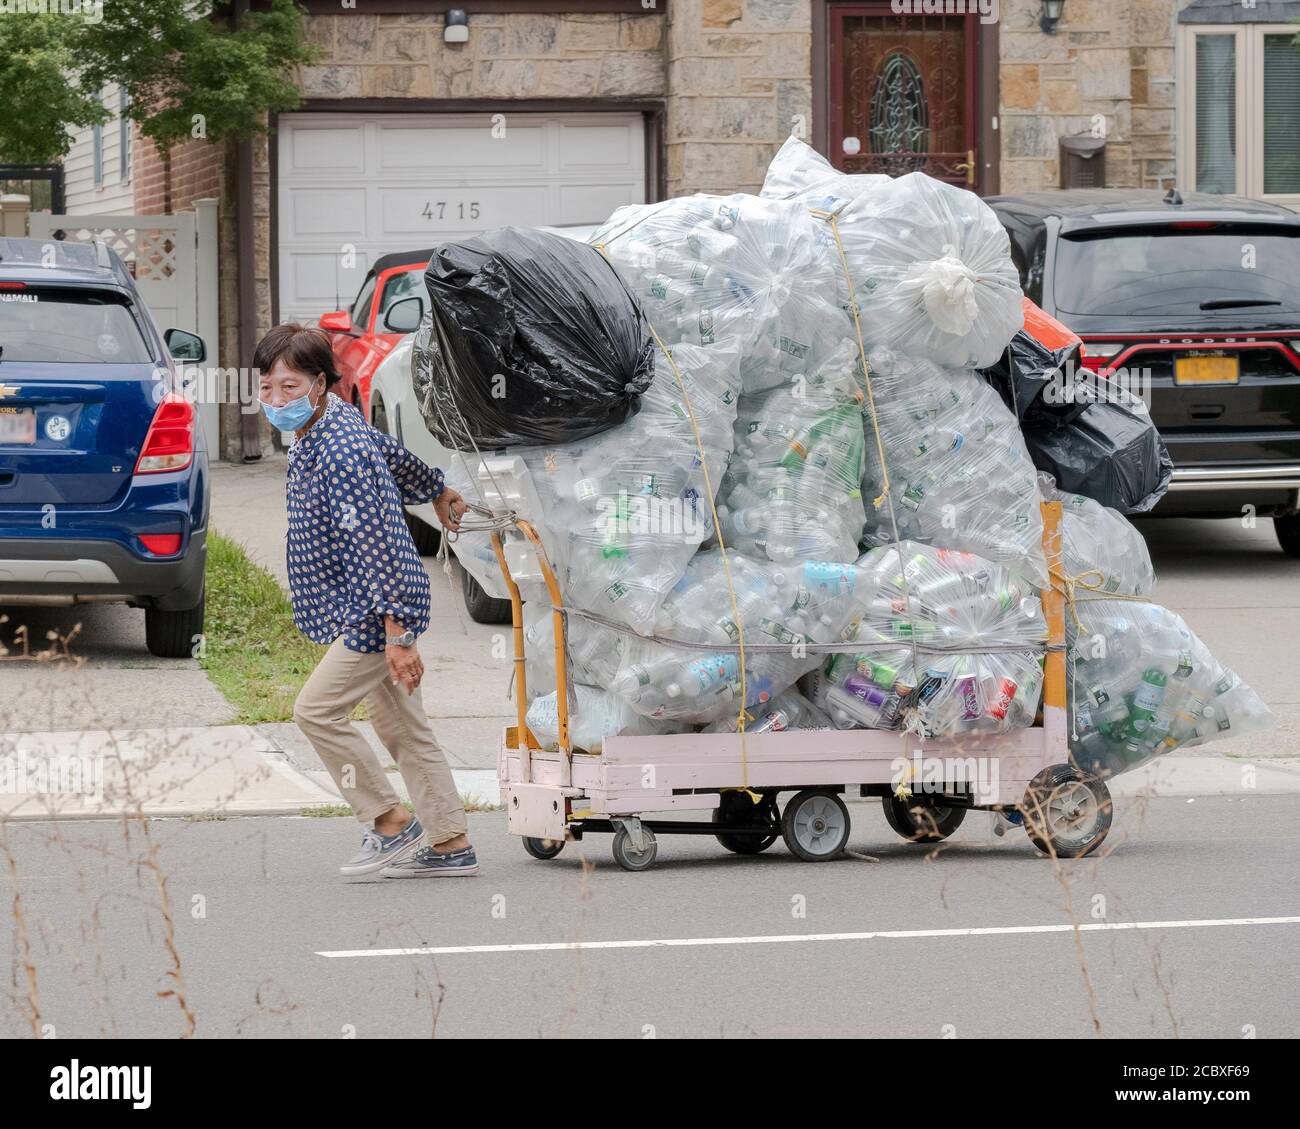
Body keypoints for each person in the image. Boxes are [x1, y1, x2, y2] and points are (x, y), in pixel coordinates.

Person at [254, 323, 476, 879]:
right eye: (267, 387)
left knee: (316, 711)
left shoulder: (341, 450)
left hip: (374, 613)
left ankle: (390, 823)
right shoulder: (333, 421)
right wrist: (437, 488)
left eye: (290, 386)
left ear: (321, 384)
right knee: (403, 727)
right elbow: (393, 453)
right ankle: (451, 843)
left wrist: (397, 635)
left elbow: (373, 542)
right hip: (368, 607)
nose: (276, 399)